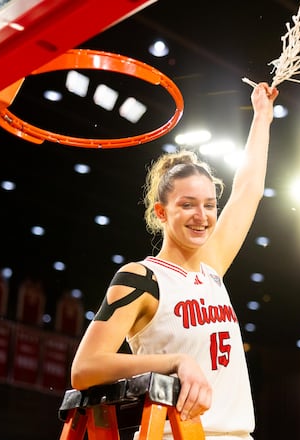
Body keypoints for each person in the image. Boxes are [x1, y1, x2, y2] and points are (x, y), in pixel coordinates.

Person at [70, 82, 278, 439]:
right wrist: (174, 362)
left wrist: (261, 117)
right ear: (162, 213)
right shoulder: (140, 278)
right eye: (187, 204)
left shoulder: (211, 266)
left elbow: (248, 190)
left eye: (209, 205)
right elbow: (85, 368)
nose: (202, 215)